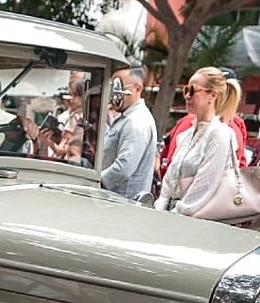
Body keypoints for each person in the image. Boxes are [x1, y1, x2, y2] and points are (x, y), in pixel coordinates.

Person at [153, 66, 238, 216]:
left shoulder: (220, 134)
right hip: (173, 213)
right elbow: (170, 178)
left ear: (212, 95)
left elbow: (205, 185)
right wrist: (161, 206)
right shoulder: (187, 134)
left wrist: (174, 214)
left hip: (196, 219)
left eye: (192, 90)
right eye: (186, 90)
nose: (187, 96)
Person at [99, 66, 156, 200]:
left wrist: (96, 181)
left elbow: (123, 168)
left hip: (122, 203)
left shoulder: (136, 121)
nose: (114, 92)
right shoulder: (125, 118)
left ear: (138, 88)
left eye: (119, 86)